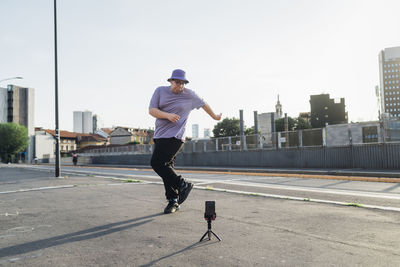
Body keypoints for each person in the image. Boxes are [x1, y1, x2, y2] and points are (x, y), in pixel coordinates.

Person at [149, 69, 221, 214]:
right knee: (166, 168)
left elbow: (204, 104)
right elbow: (152, 110)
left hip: (175, 136)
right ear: (170, 81)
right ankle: (173, 200)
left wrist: (214, 116)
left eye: (182, 83)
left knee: (157, 163)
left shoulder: (190, 95)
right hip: (160, 135)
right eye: (177, 83)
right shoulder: (160, 91)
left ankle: (183, 184)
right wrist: (167, 115)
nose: (180, 86)